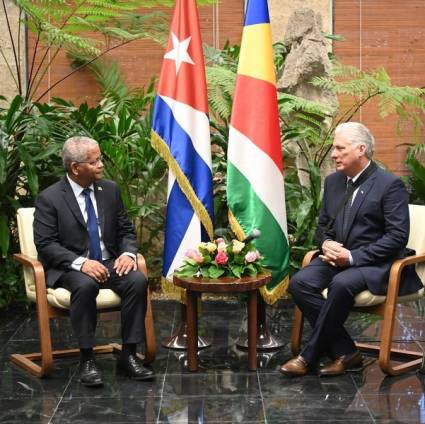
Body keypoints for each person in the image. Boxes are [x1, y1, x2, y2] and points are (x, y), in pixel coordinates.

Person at [281, 122, 422, 377]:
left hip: (377, 263)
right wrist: (325, 244)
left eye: (339, 148)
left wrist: (353, 256)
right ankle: (346, 351)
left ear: (361, 149)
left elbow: (397, 237)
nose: (333, 154)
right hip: (336, 259)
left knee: (341, 284)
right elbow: (322, 228)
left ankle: (308, 356)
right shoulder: (334, 182)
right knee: (300, 282)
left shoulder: (390, 185)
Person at [34, 136, 154, 387]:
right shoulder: (50, 198)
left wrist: (128, 254)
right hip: (70, 267)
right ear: (76, 168)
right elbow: (46, 245)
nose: (101, 164)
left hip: (109, 262)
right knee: (85, 285)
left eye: (100, 159)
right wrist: (80, 263)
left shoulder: (109, 190)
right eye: (95, 161)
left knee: (137, 279)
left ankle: (129, 355)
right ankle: (87, 359)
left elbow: (126, 231)